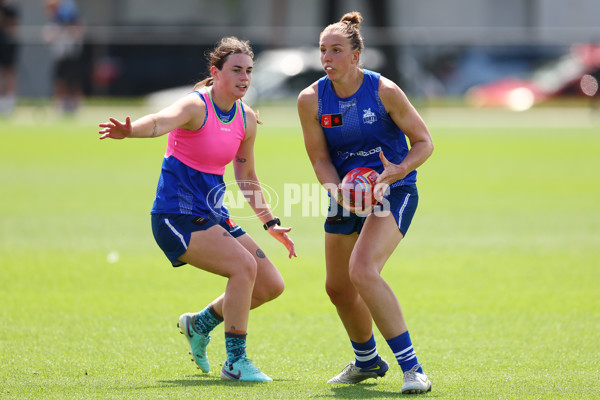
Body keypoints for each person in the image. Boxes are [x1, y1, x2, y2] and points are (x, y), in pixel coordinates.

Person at [98, 36, 296, 382]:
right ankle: (236, 362)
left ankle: (199, 323)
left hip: (211, 215)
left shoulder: (246, 119)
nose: (245, 78)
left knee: (269, 285)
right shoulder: (195, 106)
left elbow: (246, 174)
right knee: (243, 267)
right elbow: (160, 122)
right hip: (175, 216)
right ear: (215, 72)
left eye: (249, 71)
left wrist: (270, 222)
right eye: (236, 70)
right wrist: (131, 131)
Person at [297, 11, 434, 394]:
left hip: (393, 190)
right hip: (347, 193)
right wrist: (336, 191)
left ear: (357, 55)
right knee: (337, 288)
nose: (327, 57)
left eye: (337, 50)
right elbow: (320, 159)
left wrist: (396, 170)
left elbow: (424, 142)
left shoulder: (384, 90)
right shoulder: (310, 99)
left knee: (362, 269)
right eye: (323, 50)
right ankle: (367, 361)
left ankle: (413, 369)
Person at [43, 0, 85, 113]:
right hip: (61, 55)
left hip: (70, 53)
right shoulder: (55, 19)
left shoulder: (67, 12)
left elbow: (75, 30)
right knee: (60, 79)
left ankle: (74, 103)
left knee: (72, 79)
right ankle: (62, 103)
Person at [0, 0, 18, 115]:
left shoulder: (11, 8)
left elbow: (13, 27)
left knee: (10, 71)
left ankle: (10, 100)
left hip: (8, 44)